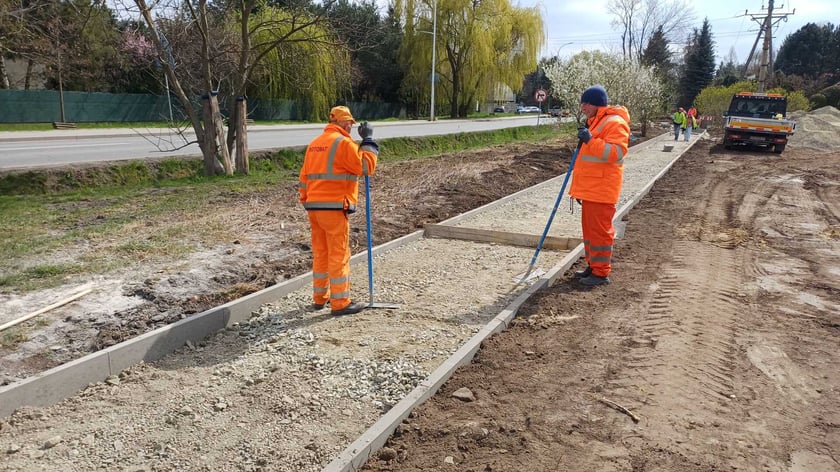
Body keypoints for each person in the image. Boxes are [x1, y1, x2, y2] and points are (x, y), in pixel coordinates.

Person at [298, 106, 379, 315]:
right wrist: (368, 141)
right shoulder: (343, 143)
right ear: (343, 122)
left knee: (321, 253)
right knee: (338, 254)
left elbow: (304, 177)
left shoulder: (314, 144)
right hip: (333, 208)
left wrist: (306, 200)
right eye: (350, 123)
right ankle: (340, 302)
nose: (352, 126)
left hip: (314, 208)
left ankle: (319, 298)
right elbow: (365, 167)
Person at [571, 85, 631, 287]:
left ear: (597, 103)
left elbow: (616, 153)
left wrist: (590, 140)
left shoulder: (614, 122)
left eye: (586, 103)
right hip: (592, 189)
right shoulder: (596, 121)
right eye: (583, 103)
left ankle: (601, 273)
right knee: (590, 232)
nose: (583, 107)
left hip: (602, 190)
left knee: (600, 233)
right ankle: (593, 266)